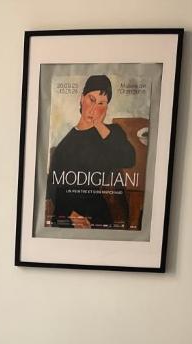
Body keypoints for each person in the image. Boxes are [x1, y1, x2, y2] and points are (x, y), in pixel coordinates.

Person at [46, 74, 137, 229]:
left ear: (106, 108)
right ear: (82, 99)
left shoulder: (112, 132)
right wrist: (72, 215)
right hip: (68, 215)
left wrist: (99, 125)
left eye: (102, 103)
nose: (94, 108)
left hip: (98, 213)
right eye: (91, 100)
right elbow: (52, 187)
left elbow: (129, 159)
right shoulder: (64, 147)